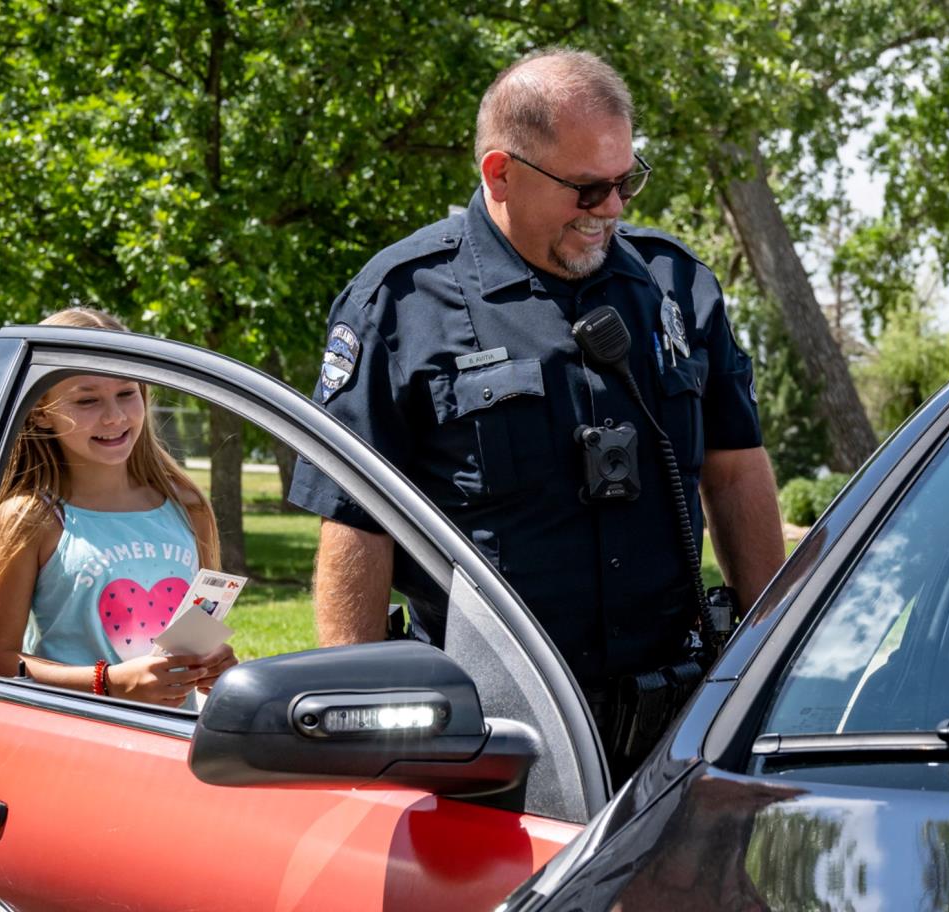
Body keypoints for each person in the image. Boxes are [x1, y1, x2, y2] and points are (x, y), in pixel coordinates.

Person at [286, 49, 786, 773]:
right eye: (587, 190)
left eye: (624, 182)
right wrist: (357, 734)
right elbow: (355, 524)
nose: (611, 209)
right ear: (501, 174)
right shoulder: (400, 303)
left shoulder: (675, 285)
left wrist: (773, 657)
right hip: (489, 739)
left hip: (675, 734)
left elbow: (736, 472)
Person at [0, 308, 237, 706]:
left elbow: (198, 629)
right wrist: (109, 682)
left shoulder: (187, 505)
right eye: (87, 400)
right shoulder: (30, 518)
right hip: (81, 740)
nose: (113, 416)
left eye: (126, 393)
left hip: (175, 739)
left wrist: (213, 662)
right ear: (42, 414)